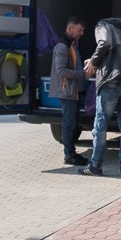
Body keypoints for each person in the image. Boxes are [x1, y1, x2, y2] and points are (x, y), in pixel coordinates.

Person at [80, 18, 121, 177]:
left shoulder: (103, 25)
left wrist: (93, 61)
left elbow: (105, 43)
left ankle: (95, 165)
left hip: (109, 82)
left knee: (100, 127)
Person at [49, 16, 87, 166]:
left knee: (72, 123)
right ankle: (69, 155)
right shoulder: (62, 47)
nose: (82, 33)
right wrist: (82, 73)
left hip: (73, 91)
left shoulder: (72, 45)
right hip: (67, 91)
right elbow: (61, 71)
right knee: (69, 123)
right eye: (79, 30)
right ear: (70, 29)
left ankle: (71, 153)